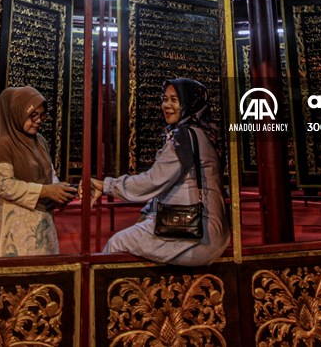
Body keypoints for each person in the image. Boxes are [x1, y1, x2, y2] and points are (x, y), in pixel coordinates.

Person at [90, 78, 229, 265]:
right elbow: (170, 183)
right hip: (211, 230)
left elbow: (154, 180)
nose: (167, 105)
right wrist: (147, 212)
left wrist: (106, 185)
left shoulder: (184, 137)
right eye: (164, 99)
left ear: (188, 103)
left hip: (196, 233)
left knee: (117, 243)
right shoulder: (201, 133)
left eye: (174, 100)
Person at [0, 86, 76, 256]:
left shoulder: (39, 141)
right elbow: (4, 185)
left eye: (42, 115)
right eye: (32, 115)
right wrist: (46, 191)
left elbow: (50, 174)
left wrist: (60, 190)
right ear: (17, 113)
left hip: (43, 221)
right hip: (16, 227)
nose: (38, 120)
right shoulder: (5, 143)